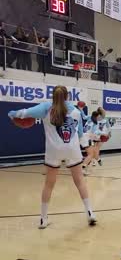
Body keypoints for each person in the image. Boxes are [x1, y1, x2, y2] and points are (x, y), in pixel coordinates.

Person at [8, 86, 97, 228]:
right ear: (67, 96)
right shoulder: (75, 111)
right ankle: (90, 213)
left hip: (53, 150)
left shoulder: (45, 108)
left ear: (53, 96)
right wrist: (87, 147)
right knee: (80, 181)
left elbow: (23, 113)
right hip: (72, 149)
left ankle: (43, 219)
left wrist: (11, 113)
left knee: (49, 184)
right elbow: (80, 134)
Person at [81, 111, 100, 175]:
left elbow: (83, 116)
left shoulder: (89, 118)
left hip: (82, 136)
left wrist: (81, 109)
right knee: (90, 155)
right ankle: (83, 169)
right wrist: (98, 138)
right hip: (87, 137)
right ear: (97, 116)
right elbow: (93, 134)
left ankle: (85, 168)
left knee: (91, 154)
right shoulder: (95, 123)